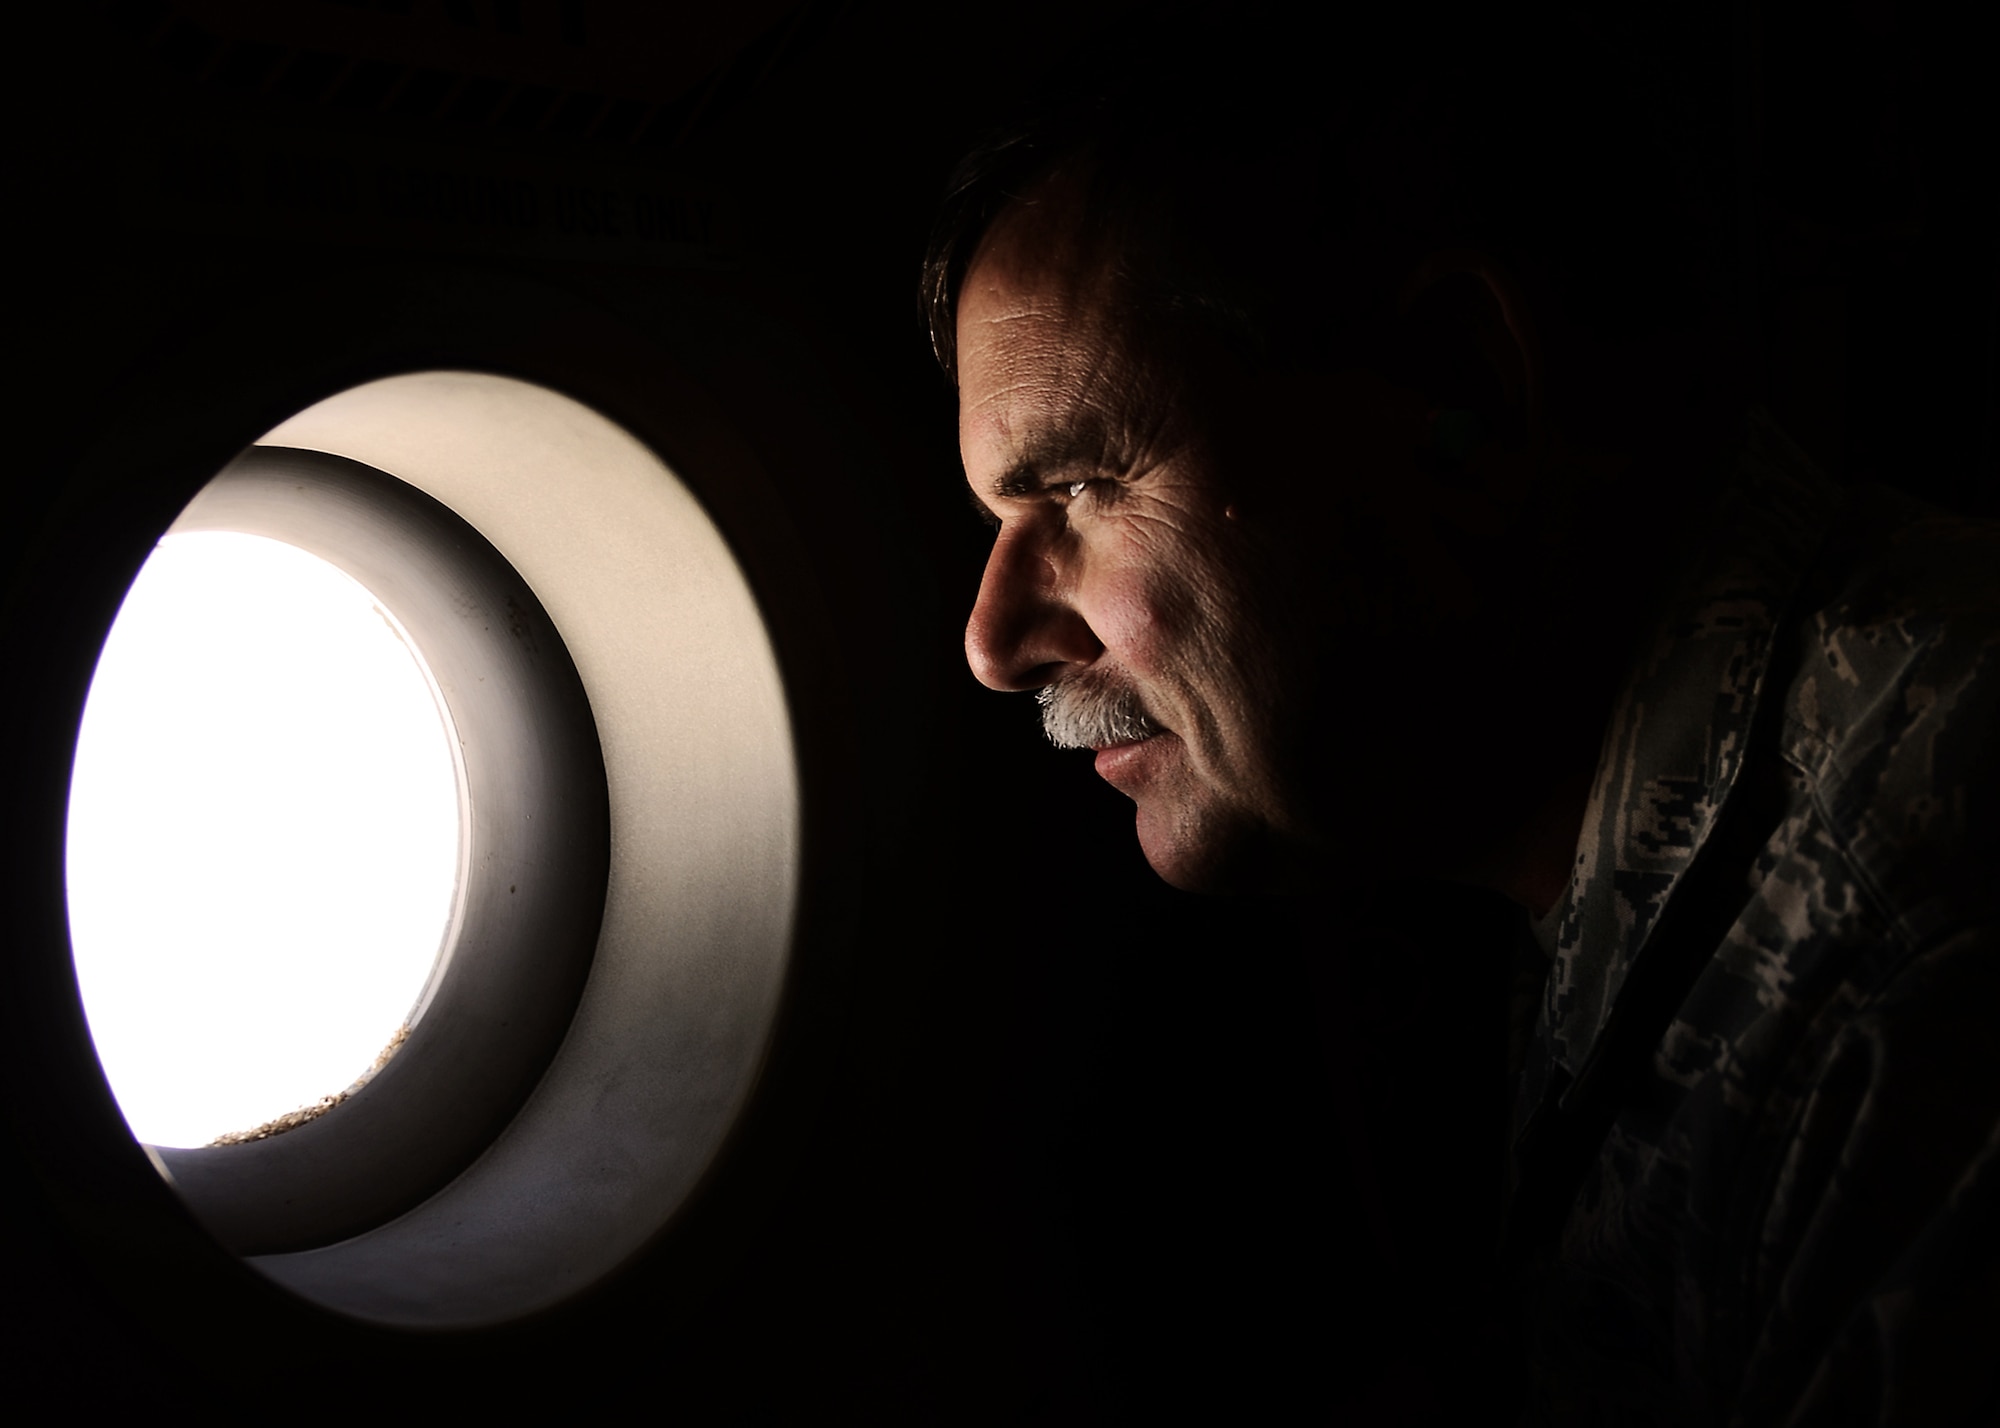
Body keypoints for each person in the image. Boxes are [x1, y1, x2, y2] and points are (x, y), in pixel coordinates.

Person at [922, 6, 1998, 1422]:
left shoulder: (1921, 932)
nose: (993, 641)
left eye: (1081, 487)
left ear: (1462, 405)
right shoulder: (1620, 859)